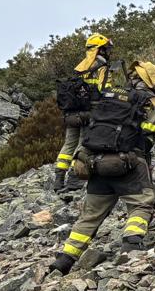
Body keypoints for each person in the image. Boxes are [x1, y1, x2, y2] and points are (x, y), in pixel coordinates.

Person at [47, 60, 155, 275]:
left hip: (95, 162)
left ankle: (65, 259)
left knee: (90, 214)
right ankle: (131, 245)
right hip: (129, 165)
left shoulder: (108, 97)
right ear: (153, 84)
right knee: (141, 204)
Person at [52, 33, 121, 192]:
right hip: (90, 112)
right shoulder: (102, 66)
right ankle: (74, 180)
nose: (108, 52)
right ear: (100, 50)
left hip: (73, 113)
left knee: (68, 144)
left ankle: (58, 180)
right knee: (84, 144)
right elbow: (105, 89)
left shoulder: (80, 66)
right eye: (105, 49)